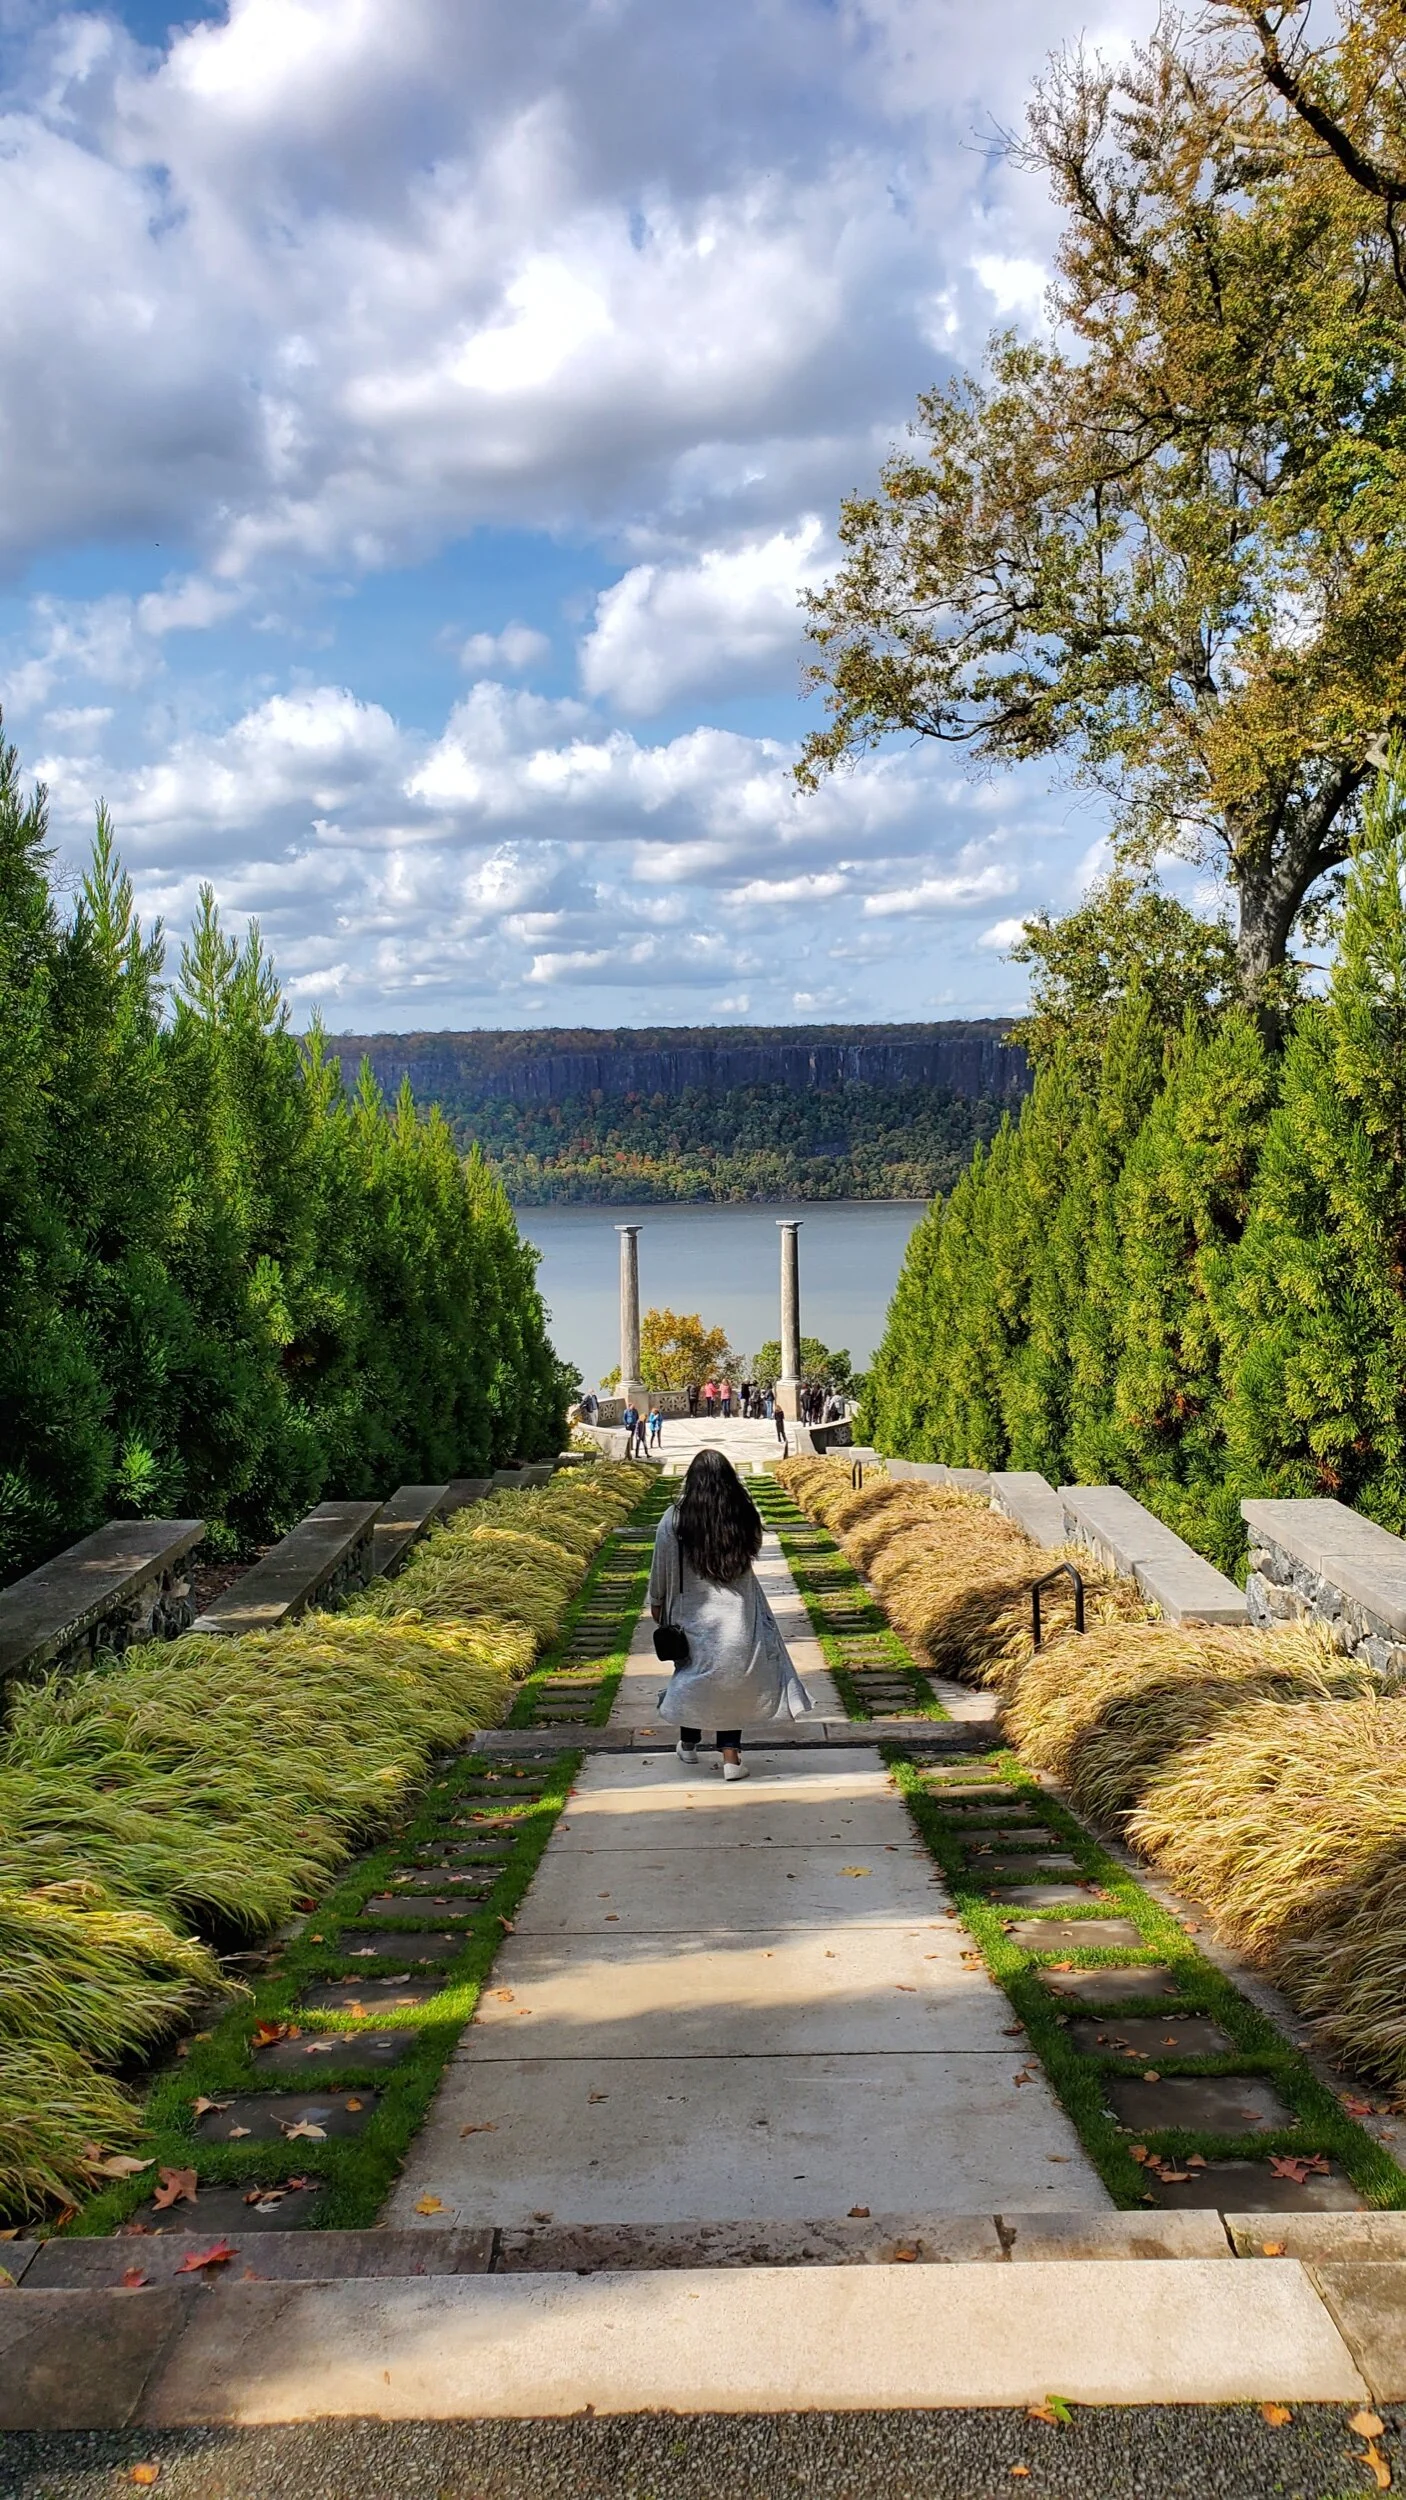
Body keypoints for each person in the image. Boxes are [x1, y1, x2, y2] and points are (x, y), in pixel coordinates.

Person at [649, 1449, 813, 1778]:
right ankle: (730, 1758)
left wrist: (657, 1602)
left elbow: (661, 1566)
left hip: (691, 1613)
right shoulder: (744, 1515)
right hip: (740, 1613)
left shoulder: (674, 1519)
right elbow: (752, 1550)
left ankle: (689, 1745)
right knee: (729, 1678)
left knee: (694, 1675)